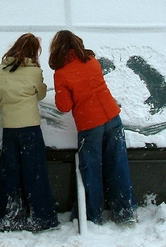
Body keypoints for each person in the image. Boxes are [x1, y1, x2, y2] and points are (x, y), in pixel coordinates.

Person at [48, 30, 137, 225]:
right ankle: (125, 212)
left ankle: (91, 216)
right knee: (118, 166)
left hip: (90, 125)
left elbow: (64, 106)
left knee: (91, 171)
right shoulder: (91, 61)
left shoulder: (61, 73)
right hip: (113, 117)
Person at [0, 33, 60, 232]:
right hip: (31, 129)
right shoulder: (34, 71)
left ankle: (9, 218)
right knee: (35, 173)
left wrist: (7, 100)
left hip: (9, 130)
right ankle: (41, 217)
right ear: (34, 52)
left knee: (10, 173)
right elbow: (41, 94)